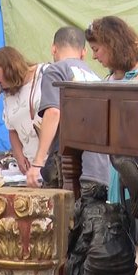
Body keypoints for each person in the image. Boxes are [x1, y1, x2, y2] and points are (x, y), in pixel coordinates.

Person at [85, 16, 138, 203]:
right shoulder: (109, 79)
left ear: (112, 44)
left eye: (96, 50)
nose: (94, 56)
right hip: (116, 166)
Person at [26, 27, 109, 191]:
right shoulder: (96, 77)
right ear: (84, 52)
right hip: (101, 169)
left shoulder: (55, 70)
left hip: (73, 171)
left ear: (53, 48)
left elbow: (53, 112)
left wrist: (37, 163)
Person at [0, 46, 46, 174]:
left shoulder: (44, 74)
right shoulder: (9, 94)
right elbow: (12, 129)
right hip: (31, 168)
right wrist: (19, 158)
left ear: (8, 67)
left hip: (50, 163)